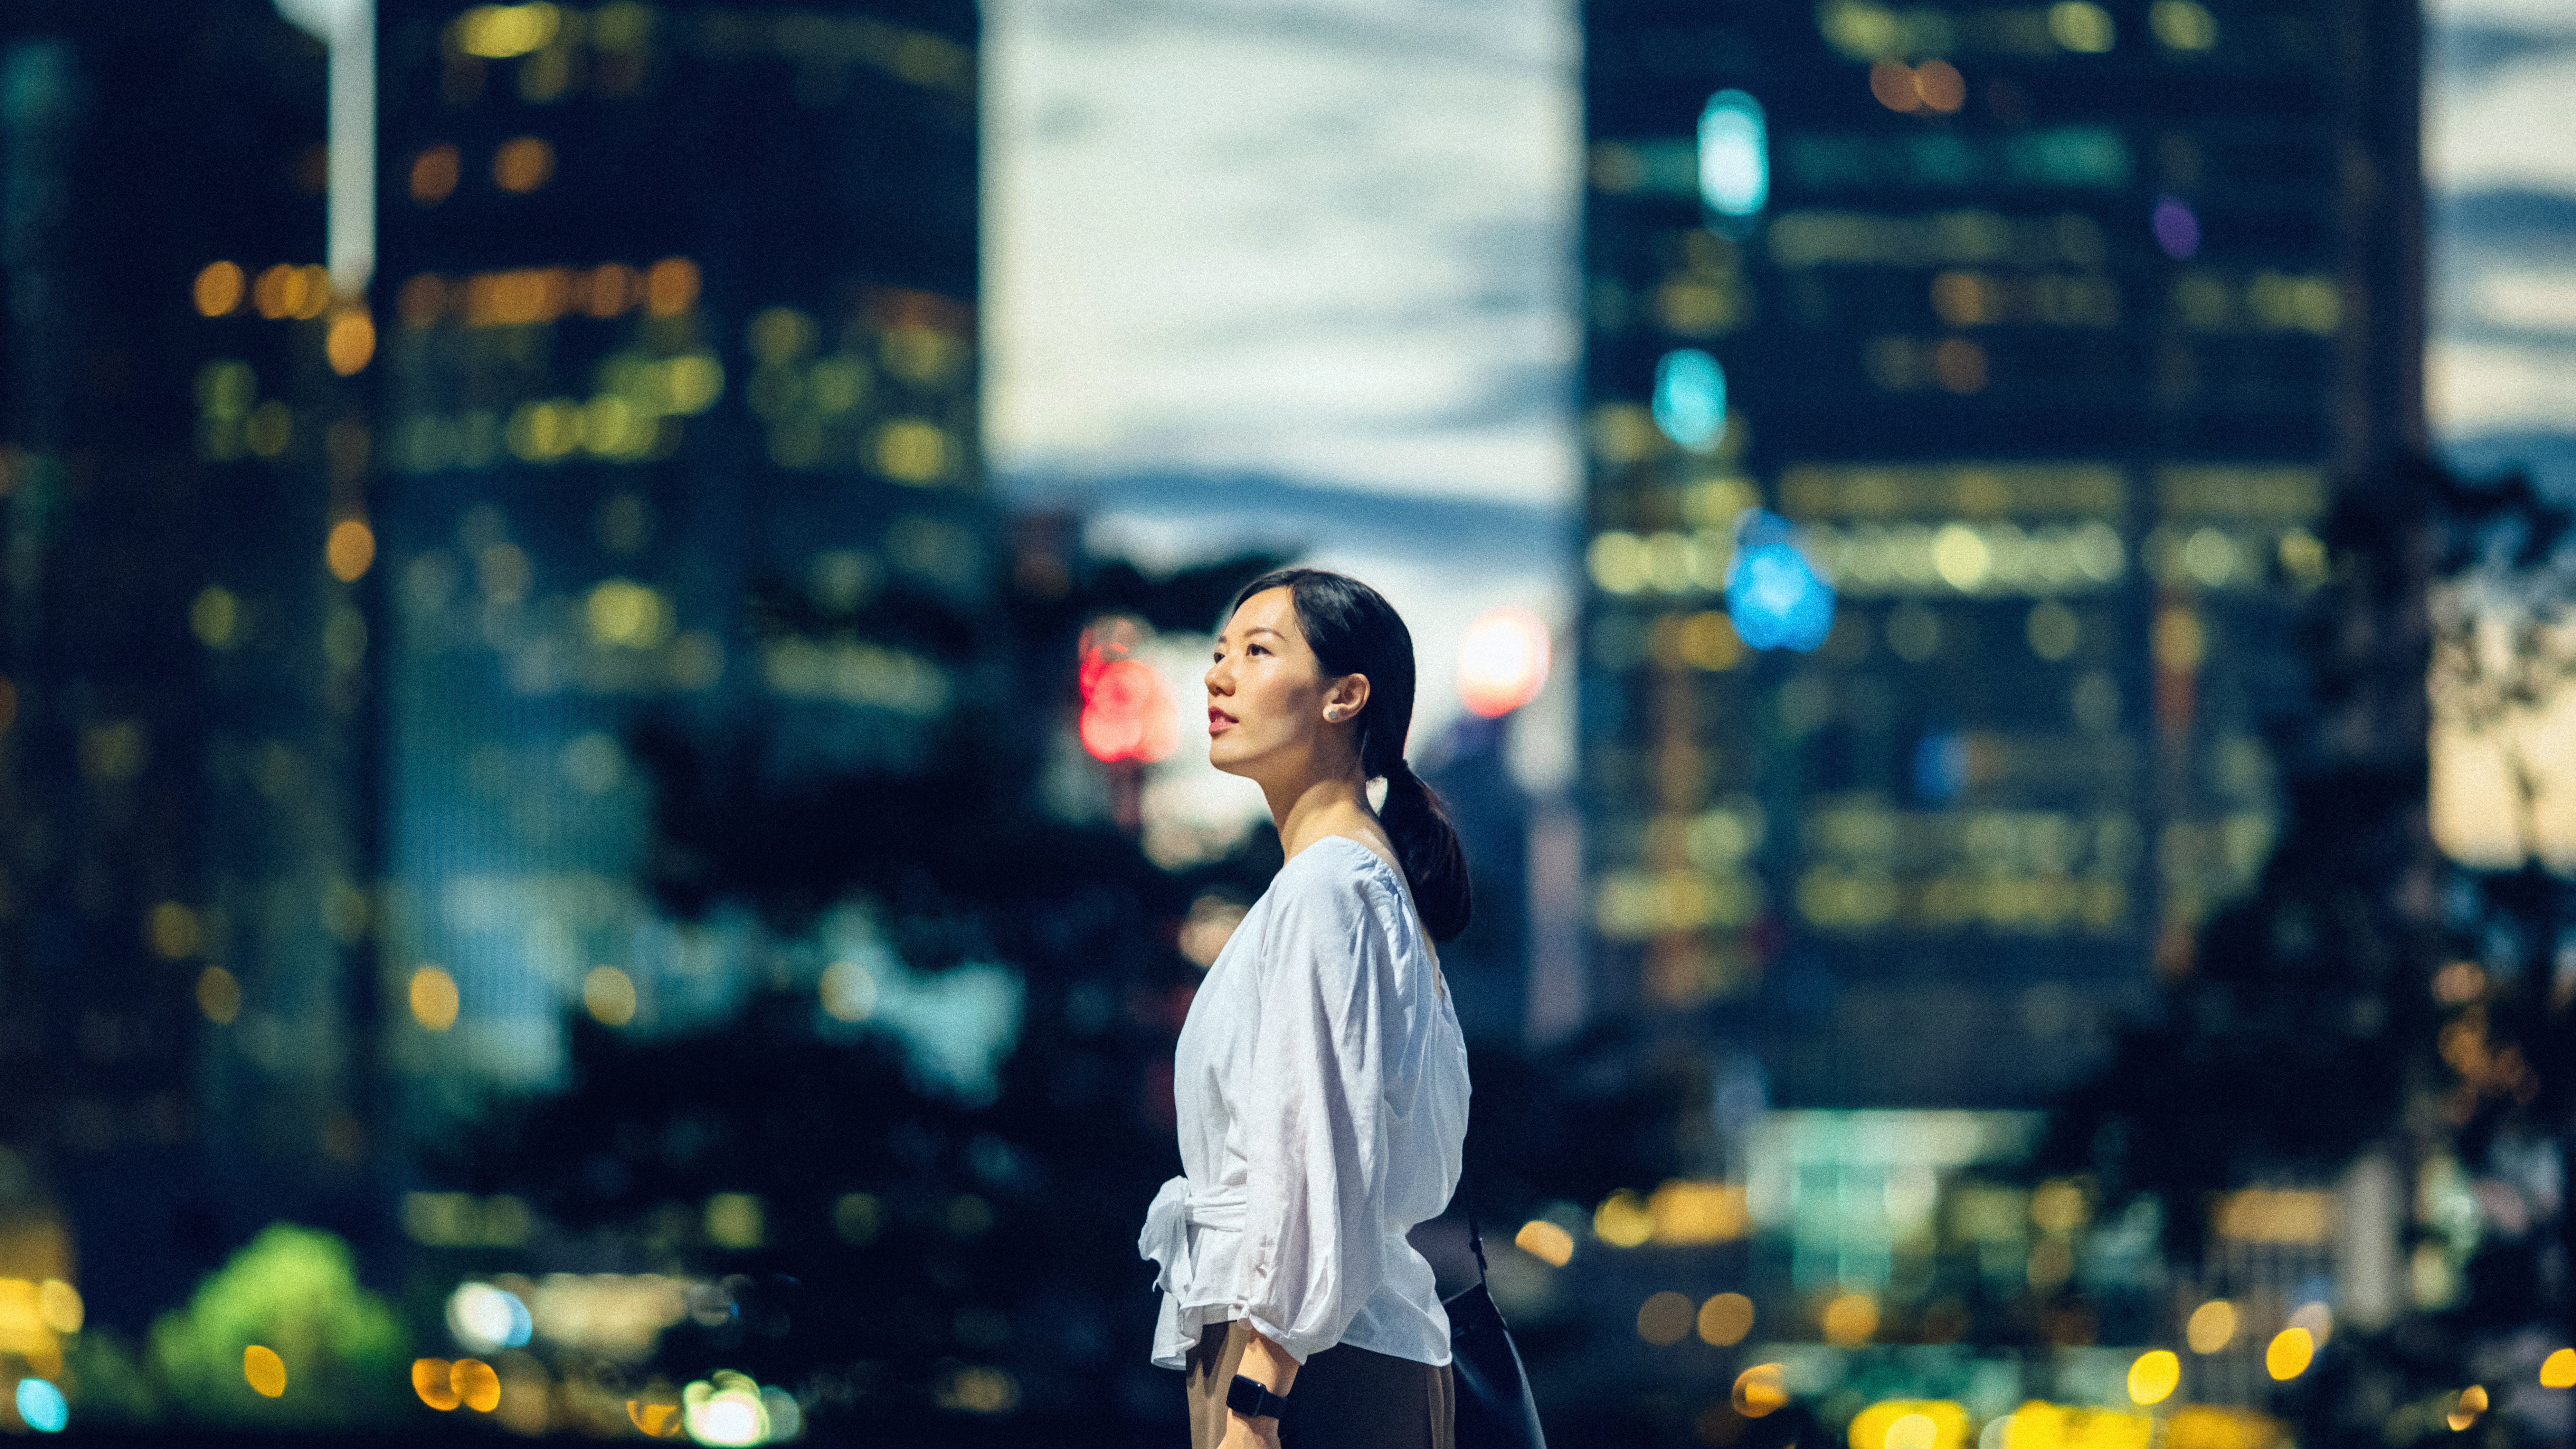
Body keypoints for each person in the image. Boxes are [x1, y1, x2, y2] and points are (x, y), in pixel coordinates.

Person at [1138, 568, 1475, 1449]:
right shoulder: (1350, 881)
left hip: (1304, 1365)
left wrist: (1258, 1398)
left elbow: (1317, 1151)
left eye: (1257, 651)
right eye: (1217, 654)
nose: (1218, 676)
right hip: (1324, 1350)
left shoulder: (1333, 886)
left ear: (1345, 695)